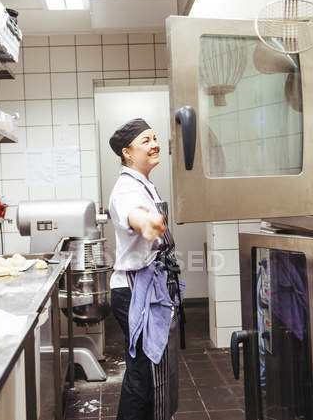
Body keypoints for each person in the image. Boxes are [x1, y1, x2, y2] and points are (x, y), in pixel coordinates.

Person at [108, 118, 184, 420]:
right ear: (127, 152)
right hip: (134, 291)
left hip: (151, 288)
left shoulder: (143, 184)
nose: (155, 145)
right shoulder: (126, 189)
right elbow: (133, 214)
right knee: (142, 374)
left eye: (155, 138)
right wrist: (147, 223)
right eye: (145, 141)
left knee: (151, 371)